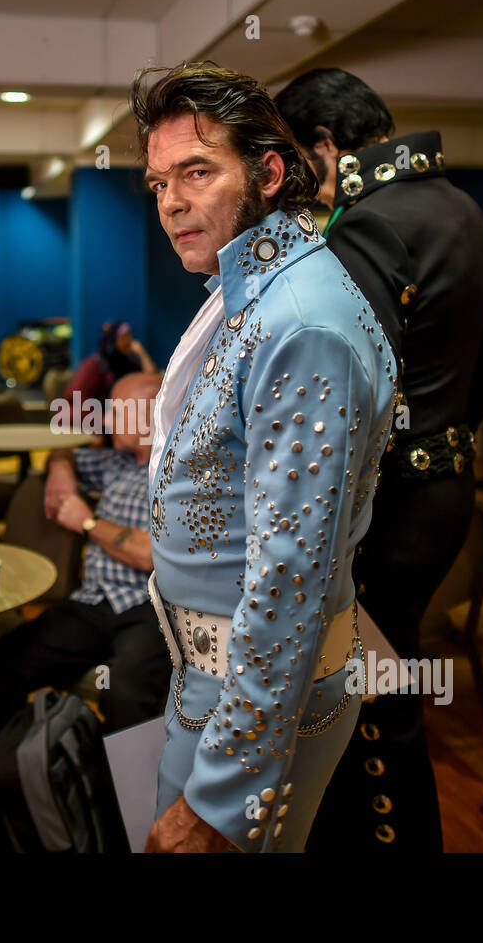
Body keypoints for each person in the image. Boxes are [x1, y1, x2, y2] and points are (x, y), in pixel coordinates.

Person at [134, 62, 397, 853]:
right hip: (210, 678)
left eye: (197, 173)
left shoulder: (300, 319)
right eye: (156, 184)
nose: (172, 201)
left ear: (270, 171)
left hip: (249, 698)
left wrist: (218, 797)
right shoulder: (251, 284)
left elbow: (288, 580)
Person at [275, 67, 483, 852]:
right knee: (388, 679)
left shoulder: (366, 224)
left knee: (371, 701)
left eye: (294, 163)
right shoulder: (462, 208)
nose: (291, 185)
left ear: (324, 146)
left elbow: (350, 393)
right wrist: (448, 433)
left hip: (390, 504)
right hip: (444, 490)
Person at [0, 372, 168, 771]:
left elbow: (151, 554)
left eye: (117, 412)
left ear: (152, 415)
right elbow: (62, 449)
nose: (107, 421)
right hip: (93, 604)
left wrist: (88, 523)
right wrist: (61, 469)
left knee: (124, 694)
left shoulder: (178, 471)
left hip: (150, 609)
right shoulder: (115, 462)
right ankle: (5, 804)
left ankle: (123, 823)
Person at [61, 321, 158, 439]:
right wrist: (97, 427)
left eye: (130, 335)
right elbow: (77, 400)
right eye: (124, 336)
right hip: (94, 425)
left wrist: (142, 353)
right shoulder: (95, 365)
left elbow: (152, 380)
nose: (129, 340)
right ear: (113, 339)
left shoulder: (129, 363)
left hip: (120, 426)